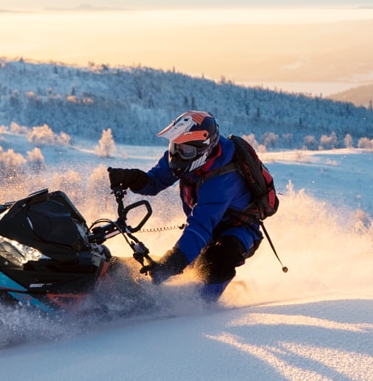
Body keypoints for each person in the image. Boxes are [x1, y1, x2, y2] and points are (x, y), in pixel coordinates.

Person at [107, 111, 261, 302]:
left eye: (185, 150)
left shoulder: (223, 179)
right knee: (186, 264)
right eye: (176, 146)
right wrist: (132, 178)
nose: (178, 154)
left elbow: (200, 227)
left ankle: (199, 306)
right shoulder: (186, 156)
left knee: (217, 259)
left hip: (239, 230)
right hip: (206, 229)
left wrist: (170, 264)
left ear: (206, 148)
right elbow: (155, 181)